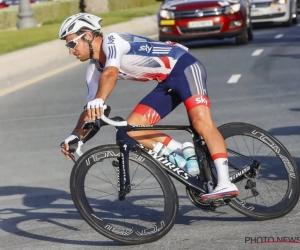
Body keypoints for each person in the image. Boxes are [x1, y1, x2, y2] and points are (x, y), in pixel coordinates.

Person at [59, 13, 239, 202]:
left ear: (88, 35)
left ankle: (225, 182)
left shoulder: (113, 41)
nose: (71, 51)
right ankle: (185, 152)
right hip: (166, 81)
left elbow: (111, 73)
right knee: (133, 130)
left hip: (185, 67)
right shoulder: (94, 68)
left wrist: (100, 99)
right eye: (67, 46)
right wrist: (76, 136)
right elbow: (91, 108)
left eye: (72, 44)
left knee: (201, 123)